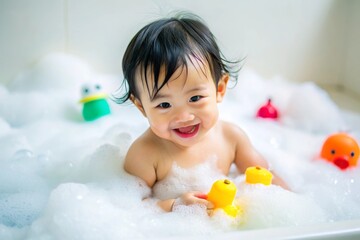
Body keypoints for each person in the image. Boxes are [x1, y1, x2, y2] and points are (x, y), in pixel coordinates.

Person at [117, 13, 288, 212]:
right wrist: (175, 205)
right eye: (164, 105)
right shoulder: (144, 155)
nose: (183, 117)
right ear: (141, 107)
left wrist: (297, 203)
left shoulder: (231, 138)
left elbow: (267, 178)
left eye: (195, 98)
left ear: (219, 89)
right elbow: (133, 208)